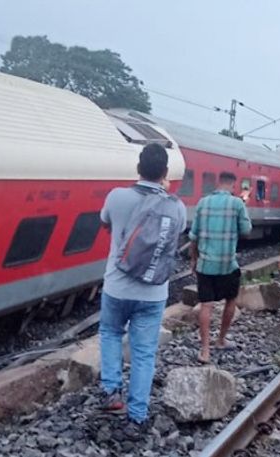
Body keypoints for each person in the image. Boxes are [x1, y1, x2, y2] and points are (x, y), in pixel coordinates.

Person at [98, 144, 187, 424]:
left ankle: (113, 393)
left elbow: (105, 223)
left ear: (138, 168)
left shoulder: (116, 197)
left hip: (117, 286)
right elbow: (176, 236)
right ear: (164, 173)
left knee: (111, 333)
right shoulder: (177, 206)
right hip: (153, 292)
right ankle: (138, 413)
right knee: (144, 352)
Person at [190, 172, 253, 363]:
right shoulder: (237, 203)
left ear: (218, 183)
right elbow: (246, 231)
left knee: (206, 305)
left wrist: (194, 260)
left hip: (205, 264)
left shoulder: (203, 203)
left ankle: (205, 350)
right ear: (233, 185)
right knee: (231, 300)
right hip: (227, 264)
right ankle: (221, 339)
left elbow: (194, 236)